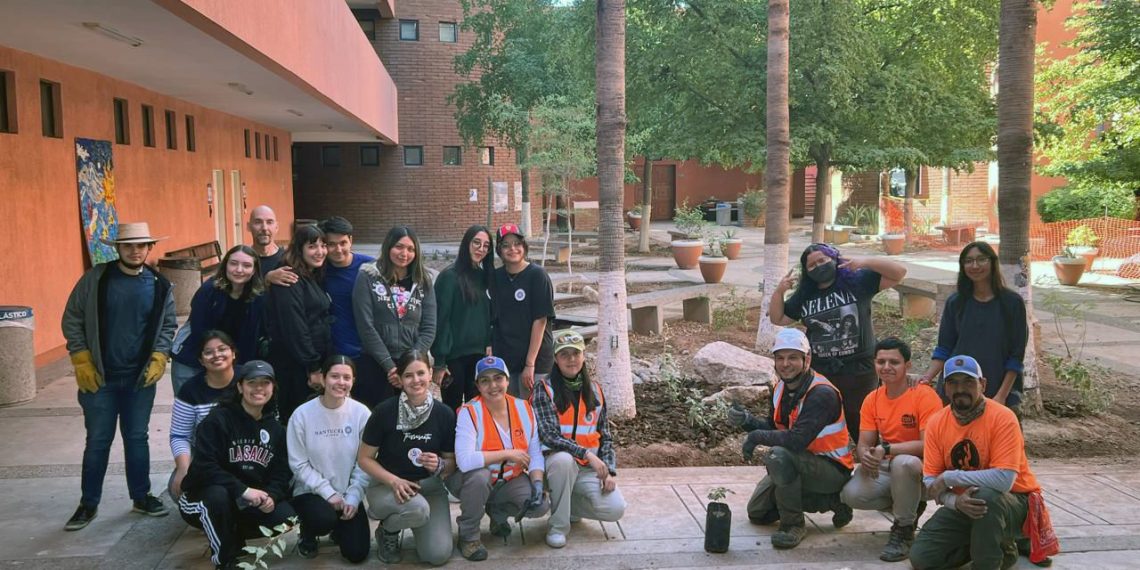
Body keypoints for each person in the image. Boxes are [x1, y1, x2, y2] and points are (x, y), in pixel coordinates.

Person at [61, 221, 176, 531]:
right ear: (118, 248)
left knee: (137, 438)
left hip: (139, 380)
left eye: (141, 245)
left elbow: (167, 326)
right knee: (98, 440)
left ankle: (141, 496)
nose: (135, 250)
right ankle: (88, 504)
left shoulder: (159, 285)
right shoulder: (96, 279)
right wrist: (81, 357)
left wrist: (159, 355)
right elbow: (72, 317)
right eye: (129, 245)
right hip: (100, 378)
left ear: (149, 247)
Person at [912, 355, 1056, 569]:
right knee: (922, 558)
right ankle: (1003, 547)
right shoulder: (936, 423)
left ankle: (988, 561)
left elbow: (1004, 480)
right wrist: (954, 501)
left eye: (968, 382)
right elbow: (931, 483)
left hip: (1016, 502)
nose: (961, 389)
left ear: (983, 384)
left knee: (985, 495)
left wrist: (950, 476)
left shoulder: (1003, 417)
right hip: (966, 503)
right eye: (953, 383)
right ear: (945, 388)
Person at [730, 328, 854, 550]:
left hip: (832, 470)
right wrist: (747, 421)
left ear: (807, 360)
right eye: (780, 358)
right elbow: (774, 428)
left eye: (793, 358)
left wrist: (756, 437)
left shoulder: (821, 394)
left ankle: (793, 525)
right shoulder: (780, 388)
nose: (785, 364)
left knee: (778, 457)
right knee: (758, 513)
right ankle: (831, 502)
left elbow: (796, 440)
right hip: (802, 462)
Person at [770, 243, 907, 440]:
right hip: (822, 371)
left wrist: (864, 262)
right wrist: (779, 291)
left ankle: (869, 461)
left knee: (861, 421)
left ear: (835, 259)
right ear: (806, 271)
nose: (819, 266)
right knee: (824, 420)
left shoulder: (858, 282)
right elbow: (778, 318)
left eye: (823, 260)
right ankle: (832, 463)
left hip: (859, 369)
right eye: (812, 265)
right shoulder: (805, 296)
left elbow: (899, 272)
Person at [177, 360, 295, 570]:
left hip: (244, 502)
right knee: (217, 497)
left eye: (265, 383)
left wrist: (271, 495)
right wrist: (244, 490)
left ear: (272, 388)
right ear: (240, 387)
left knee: (285, 516)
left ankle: (232, 533)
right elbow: (205, 468)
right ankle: (225, 559)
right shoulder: (218, 420)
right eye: (252, 382)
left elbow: (281, 472)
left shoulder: (275, 429)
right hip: (201, 496)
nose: (259, 388)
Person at [839, 337, 943, 562]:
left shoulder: (925, 396)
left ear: (908, 366)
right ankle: (908, 503)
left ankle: (904, 529)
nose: (886, 367)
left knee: (904, 462)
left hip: (924, 469)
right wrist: (865, 455)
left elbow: (928, 445)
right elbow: (864, 441)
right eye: (881, 361)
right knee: (851, 495)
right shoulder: (872, 399)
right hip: (889, 465)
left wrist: (885, 448)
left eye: (894, 362)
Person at [358, 351, 456, 566]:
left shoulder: (444, 414)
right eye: (409, 375)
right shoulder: (384, 412)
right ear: (400, 379)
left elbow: (451, 462)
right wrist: (394, 481)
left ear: (430, 374)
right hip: (387, 486)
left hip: (428, 487)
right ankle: (388, 531)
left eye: (421, 373)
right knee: (417, 510)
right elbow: (364, 459)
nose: (416, 380)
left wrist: (440, 465)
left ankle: (408, 521)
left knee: (437, 555)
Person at [450, 356, 550, 561]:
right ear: (477, 385)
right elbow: (464, 461)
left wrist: (538, 484)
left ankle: (497, 512)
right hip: (469, 481)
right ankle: (468, 535)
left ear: (507, 381)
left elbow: (535, 453)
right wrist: (507, 453)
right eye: (485, 380)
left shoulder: (524, 408)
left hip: (507, 480)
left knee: (539, 504)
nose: (493, 385)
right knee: (480, 476)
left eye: (498, 378)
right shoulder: (469, 412)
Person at [532, 330, 626, 549]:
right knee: (564, 461)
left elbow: (606, 437)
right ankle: (558, 526)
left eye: (575, 353)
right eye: (564, 354)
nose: (571, 359)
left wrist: (609, 470)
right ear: (556, 359)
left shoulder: (595, 391)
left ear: (584, 356)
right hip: (553, 466)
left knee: (615, 509)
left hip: (586, 470)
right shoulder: (544, 388)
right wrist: (586, 455)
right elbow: (549, 435)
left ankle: (568, 505)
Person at [919, 241, 1028, 411]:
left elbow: (1016, 357)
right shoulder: (956, 302)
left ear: (992, 262)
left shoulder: (1012, 303)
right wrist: (926, 378)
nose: (975, 266)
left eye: (981, 259)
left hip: (998, 390)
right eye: (968, 261)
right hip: (957, 391)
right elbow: (944, 349)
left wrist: (1001, 396)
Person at [287, 355, 372, 563]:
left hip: (348, 492)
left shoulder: (361, 413)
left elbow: (366, 461)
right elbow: (299, 464)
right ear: (323, 379)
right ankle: (308, 533)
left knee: (357, 553)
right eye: (335, 376)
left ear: (353, 381)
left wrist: (353, 495)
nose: (341, 382)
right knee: (322, 519)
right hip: (311, 491)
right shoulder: (302, 415)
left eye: (346, 377)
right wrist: (328, 492)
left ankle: (339, 528)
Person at [353, 226, 437, 408]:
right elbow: (365, 326)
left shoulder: (424, 280)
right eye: (399, 247)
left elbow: (429, 327)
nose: (404, 253)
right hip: (375, 363)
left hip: (411, 365)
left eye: (410, 249)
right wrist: (390, 367)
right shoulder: (367, 276)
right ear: (388, 246)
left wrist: (411, 364)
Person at [170, 244, 265, 394]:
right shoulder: (209, 290)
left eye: (246, 265)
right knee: (191, 409)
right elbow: (199, 330)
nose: (239, 270)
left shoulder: (257, 296)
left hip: (225, 360)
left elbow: (250, 338)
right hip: (191, 357)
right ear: (225, 265)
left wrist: (241, 370)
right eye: (233, 263)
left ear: (254, 270)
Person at [264, 224, 331, 421]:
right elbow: (295, 326)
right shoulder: (289, 277)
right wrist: (313, 367)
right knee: (297, 419)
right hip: (296, 367)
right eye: (312, 246)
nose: (320, 252)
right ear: (299, 248)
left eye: (323, 245)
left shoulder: (311, 274)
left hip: (311, 360)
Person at [169, 331, 239, 499]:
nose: (216, 355)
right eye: (208, 352)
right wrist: (183, 468)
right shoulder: (190, 390)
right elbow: (180, 435)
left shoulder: (247, 380)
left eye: (222, 349)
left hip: (244, 450)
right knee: (179, 487)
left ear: (233, 353)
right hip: (205, 453)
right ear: (201, 360)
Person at [432, 225, 494, 409]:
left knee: (476, 409)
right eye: (476, 242)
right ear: (466, 243)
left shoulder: (485, 277)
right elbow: (440, 320)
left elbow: (488, 316)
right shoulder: (449, 277)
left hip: (479, 356)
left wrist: (489, 342)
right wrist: (440, 361)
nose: (480, 249)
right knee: (452, 410)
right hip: (454, 358)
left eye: (486, 245)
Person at [490, 224, 555, 398]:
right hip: (507, 359)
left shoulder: (537, 275)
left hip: (536, 360)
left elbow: (540, 320)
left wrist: (530, 364)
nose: (512, 249)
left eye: (517, 243)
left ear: (524, 246)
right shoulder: (496, 277)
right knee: (514, 414)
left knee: (536, 412)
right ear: (499, 250)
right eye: (506, 245)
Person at [247, 205, 286, 275]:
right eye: (258, 222)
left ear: (276, 227)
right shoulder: (241, 261)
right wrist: (267, 279)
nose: (264, 228)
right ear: (249, 227)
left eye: (269, 222)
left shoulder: (288, 260)